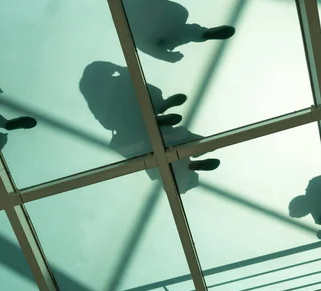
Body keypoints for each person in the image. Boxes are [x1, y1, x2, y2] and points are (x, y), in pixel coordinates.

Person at [79, 61, 220, 193]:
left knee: (170, 137)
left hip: (126, 124)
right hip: (131, 118)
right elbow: (127, 74)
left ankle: (164, 115)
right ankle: (161, 108)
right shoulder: (111, 83)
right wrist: (119, 69)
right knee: (163, 129)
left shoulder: (94, 87)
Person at [118, 0, 235, 62]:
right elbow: (140, 42)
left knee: (179, 17)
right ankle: (203, 33)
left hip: (148, 31)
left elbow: (139, 42)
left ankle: (203, 33)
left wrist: (164, 54)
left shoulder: (168, 13)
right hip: (142, 25)